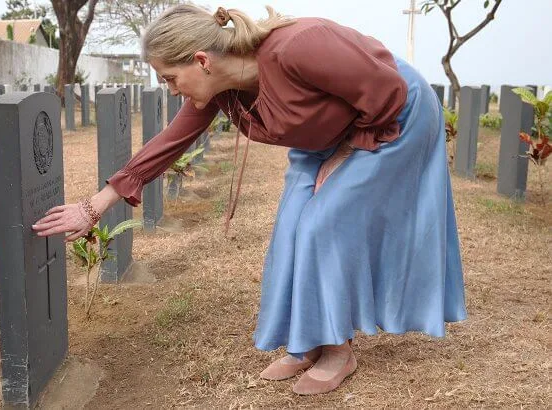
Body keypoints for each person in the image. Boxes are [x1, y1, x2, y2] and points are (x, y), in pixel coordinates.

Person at [32, 5, 467, 395]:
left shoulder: (299, 46)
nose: (172, 89)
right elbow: (169, 143)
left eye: (170, 78)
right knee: (291, 228)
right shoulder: (222, 89)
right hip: (329, 132)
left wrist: (343, 156)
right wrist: (93, 206)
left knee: (322, 223)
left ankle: (339, 351)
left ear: (201, 61)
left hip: (391, 117)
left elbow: (385, 91)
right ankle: (307, 339)